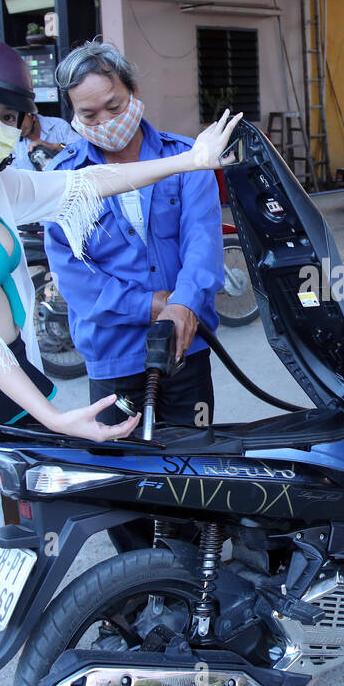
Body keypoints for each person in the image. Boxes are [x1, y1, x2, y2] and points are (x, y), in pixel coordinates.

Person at [0, 34, 240, 686]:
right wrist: (53, 416)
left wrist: (189, 160)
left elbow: (85, 184)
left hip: (8, 393)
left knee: (8, 553)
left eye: (10, 116)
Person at [44, 40, 225, 427]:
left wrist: (183, 304)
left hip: (184, 343)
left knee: (192, 461)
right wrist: (150, 306)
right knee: (125, 473)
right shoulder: (64, 178)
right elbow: (73, 275)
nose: (106, 122)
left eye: (114, 106)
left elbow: (203, 243)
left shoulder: (185, 158)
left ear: (134, 93)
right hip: (113, 352)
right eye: (89, 115)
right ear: (72, 114)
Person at [13, 110, 78, 170]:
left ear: (29, 114)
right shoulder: (12, 141)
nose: (17, 127)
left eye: (19, 120)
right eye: (12, 122)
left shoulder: (58, 125)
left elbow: (80, 150)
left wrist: (54, 146)